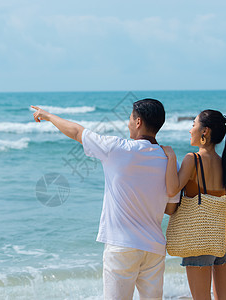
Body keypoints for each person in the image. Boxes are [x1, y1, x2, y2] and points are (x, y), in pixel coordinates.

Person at [32, 99, 180, 300]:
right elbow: (171, 208)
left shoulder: (117, 149)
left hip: (122, 246)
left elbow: (77, 132)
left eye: (130, 118)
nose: (127, 123)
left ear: (138, 122)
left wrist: (47, 116)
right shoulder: (168, 159)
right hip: (154, 248)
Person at [162, 109, 226, 300]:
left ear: (204, 131)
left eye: (193, 125)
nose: (190, 130)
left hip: (200, 236)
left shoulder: (192, 159)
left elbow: (172, 189)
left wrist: (171, 158)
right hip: (225, 236)